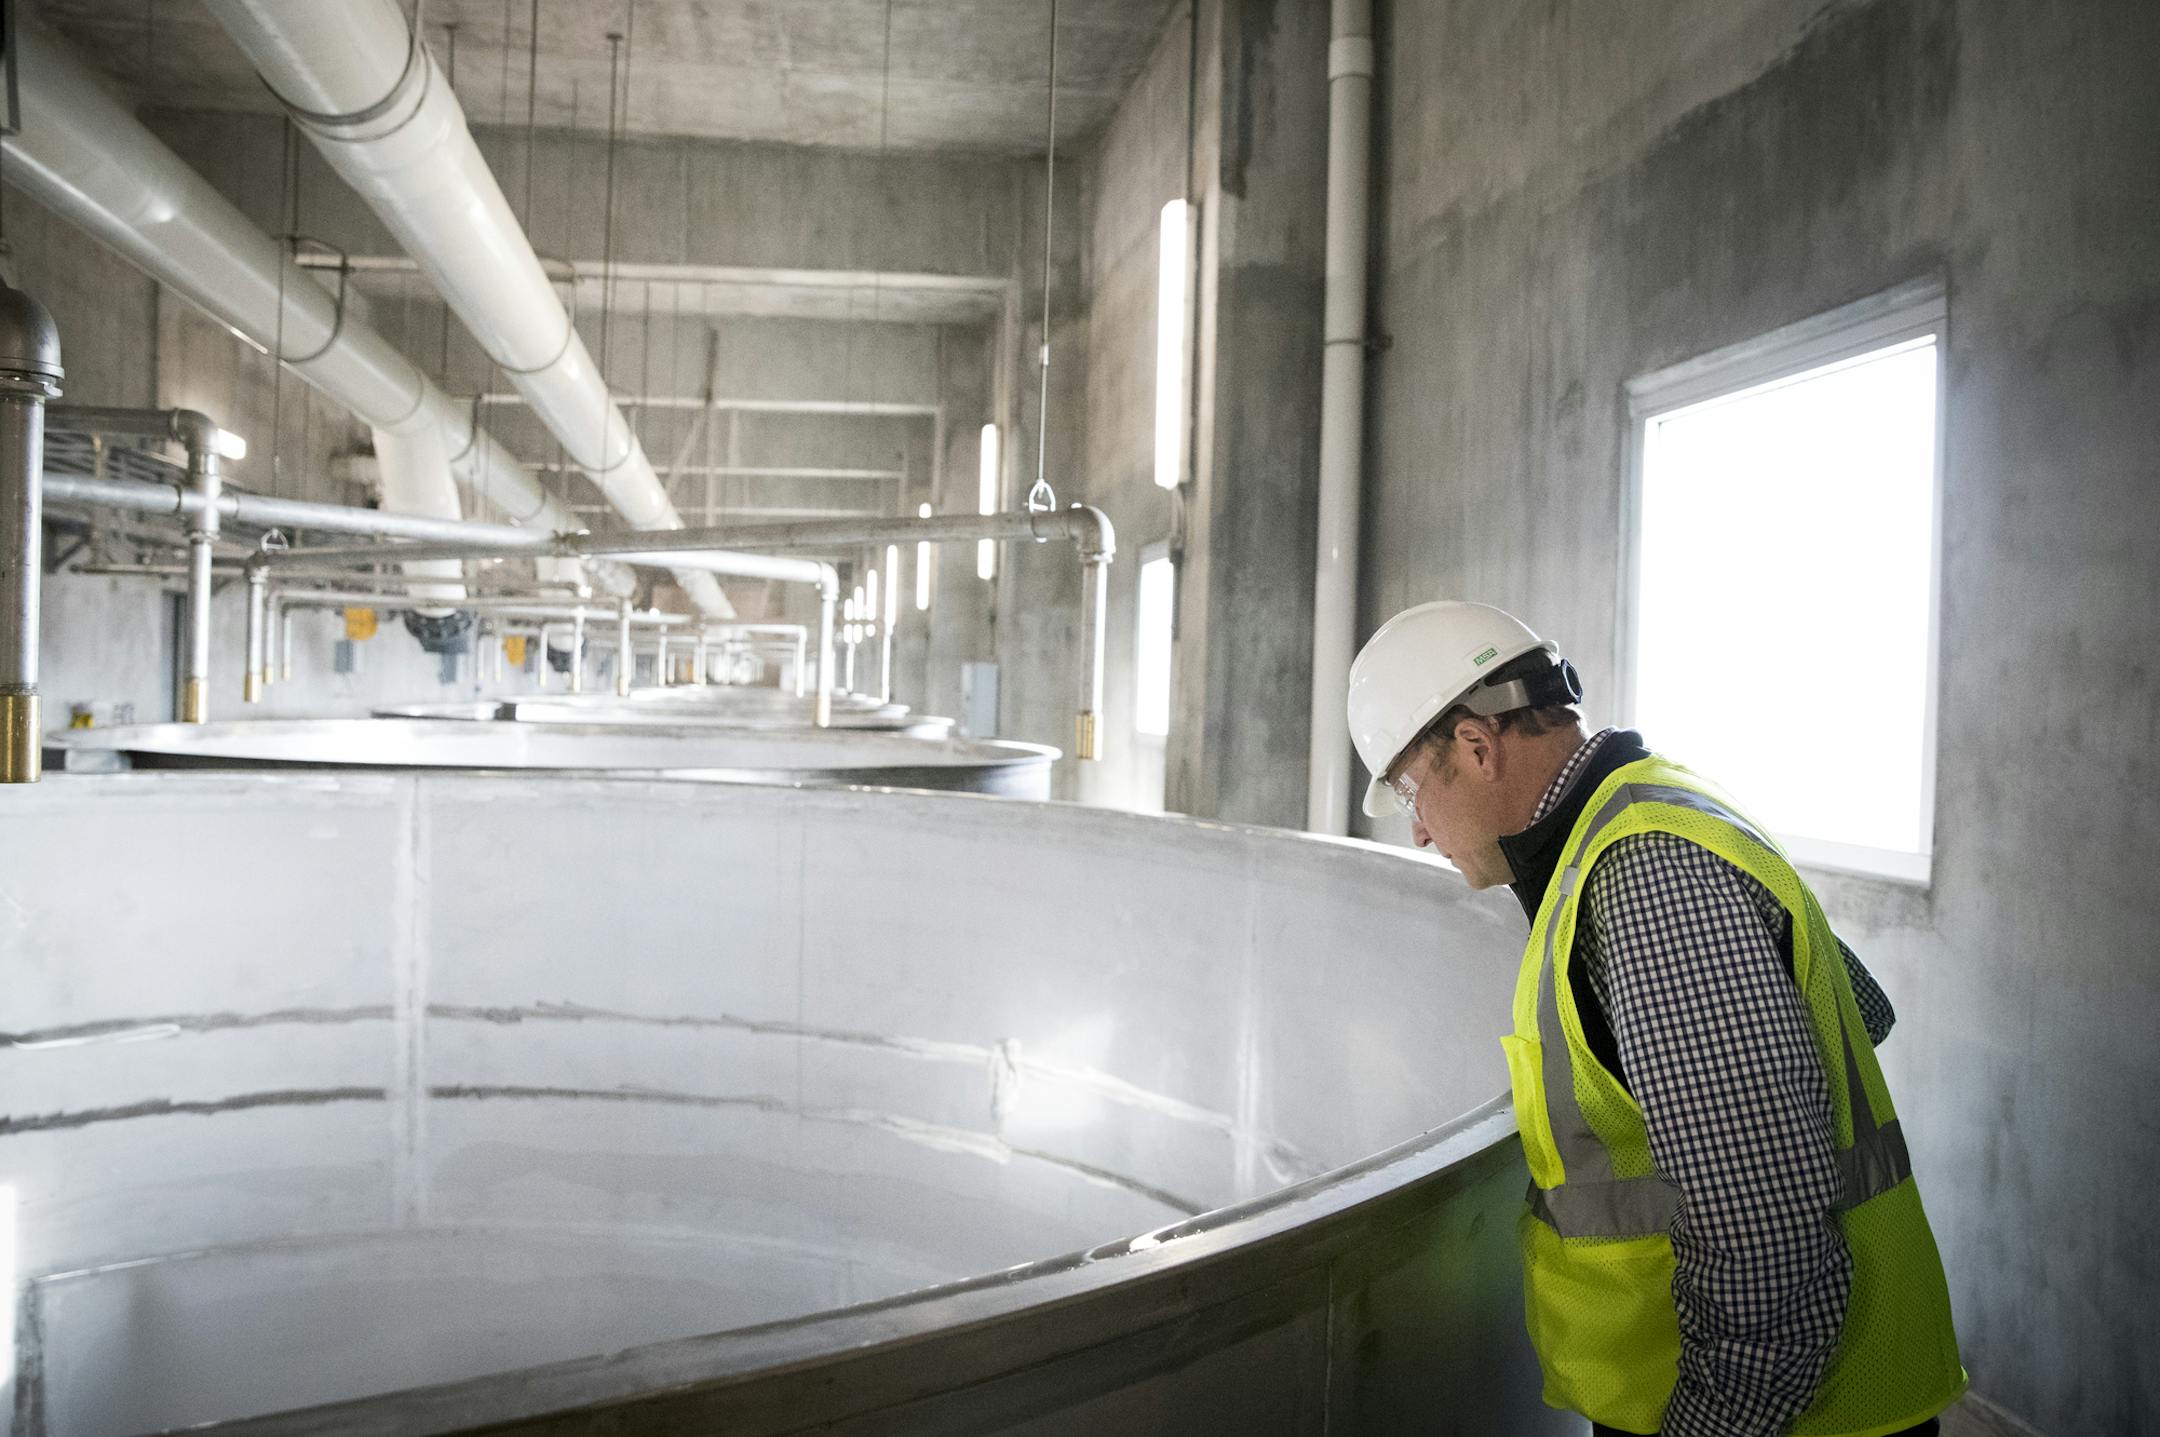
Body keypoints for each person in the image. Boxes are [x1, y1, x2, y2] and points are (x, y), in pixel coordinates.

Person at [1345, 601, 1966, 1437]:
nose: (1419, 830)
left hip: (1780, 1414)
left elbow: (1768, 1236)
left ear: (1477, 746)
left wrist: (1711, 1421)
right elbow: (1861, 1008)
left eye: (1410, 791)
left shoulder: (1645, 876)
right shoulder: (1651, 807)